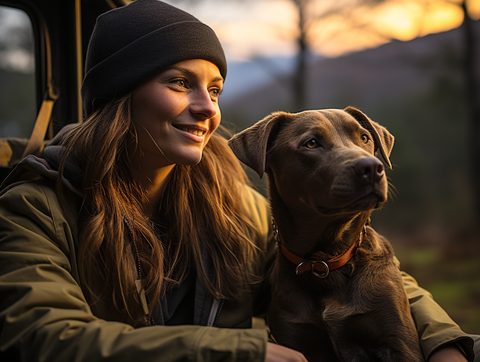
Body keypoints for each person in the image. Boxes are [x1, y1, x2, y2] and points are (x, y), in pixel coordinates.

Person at [0, 0, 476, 361]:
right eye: (179, 83)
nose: (208, 108)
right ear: (120, 96)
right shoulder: (35, 208)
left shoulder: (231, 206)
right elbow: (42, 334)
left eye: (215, 89)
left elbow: (360, 270)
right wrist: (240, 353)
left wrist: (443, 342)